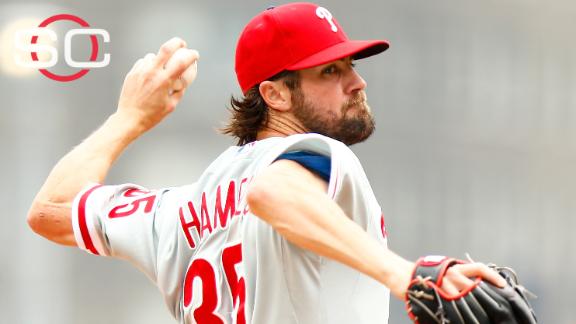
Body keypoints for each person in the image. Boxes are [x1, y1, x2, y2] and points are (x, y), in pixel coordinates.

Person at [27, 3, 506, 323]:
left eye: (352, 66)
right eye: (330, 71)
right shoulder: (317, 157)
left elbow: (49, 211)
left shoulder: (179, 209)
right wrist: (405, 275)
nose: (356, 83)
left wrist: (128, 120)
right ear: (275, 94)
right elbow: (270, 193)